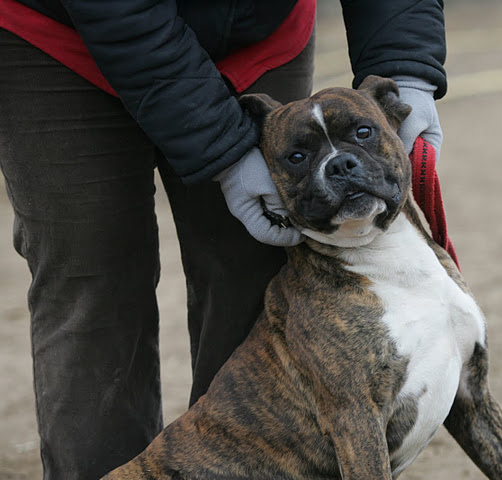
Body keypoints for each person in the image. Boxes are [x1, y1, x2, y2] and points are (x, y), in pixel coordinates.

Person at [0, 0, 446, 478]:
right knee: (93, 280)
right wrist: (225, 153)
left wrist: (405, 71)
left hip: (255, 36)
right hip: (58, 41)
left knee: (254, 268)